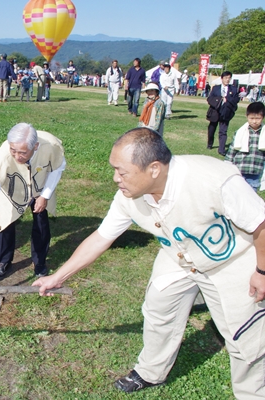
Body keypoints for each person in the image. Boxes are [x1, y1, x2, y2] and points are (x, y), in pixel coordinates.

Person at [33, 128, 265, 399]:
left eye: (122, 171)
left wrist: (261, 271)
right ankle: (151, 371)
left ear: (154, 168)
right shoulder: (129, 197)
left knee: (245, 339)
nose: (115, 178)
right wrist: (58, 277)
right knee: (158, 306)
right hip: (179, 258)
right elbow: (101, 237)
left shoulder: (214, 178)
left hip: (233, 262)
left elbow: (260, 223)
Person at [0, 123, 66, 280]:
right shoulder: (4, 154)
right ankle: (4, 262)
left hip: (40, 184)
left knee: (41, 223)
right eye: (13, 150)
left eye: (22, 152)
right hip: (13, 188)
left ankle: (40, 262)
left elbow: (57, 169)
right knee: (5, 222)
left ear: (36, 146)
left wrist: (44, 196)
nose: (17, 156)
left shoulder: (50, 146)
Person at [224, 101, 265, 191]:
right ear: (247, 116)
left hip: (255, 172)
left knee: (251, 194)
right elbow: (232, 150)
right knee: (236, 192)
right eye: (251, 118)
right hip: (239, 169)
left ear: (263, 117)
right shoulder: (240, 132)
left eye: (258, 118)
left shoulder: (263, 133)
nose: (254, 121)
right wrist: (227, 164)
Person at [206, 71, 240, 156]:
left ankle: (221, 149)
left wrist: (227, 99)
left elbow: (236, 100)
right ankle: (210, 144)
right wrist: (219, 99)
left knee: (223, 131)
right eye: (225, 78)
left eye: (229, 78)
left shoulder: (233, 89)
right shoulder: (216, 88)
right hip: (215, 111)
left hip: (226, 112)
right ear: (222, 78)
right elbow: (210, 99)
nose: (227, 80)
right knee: (211, 130)